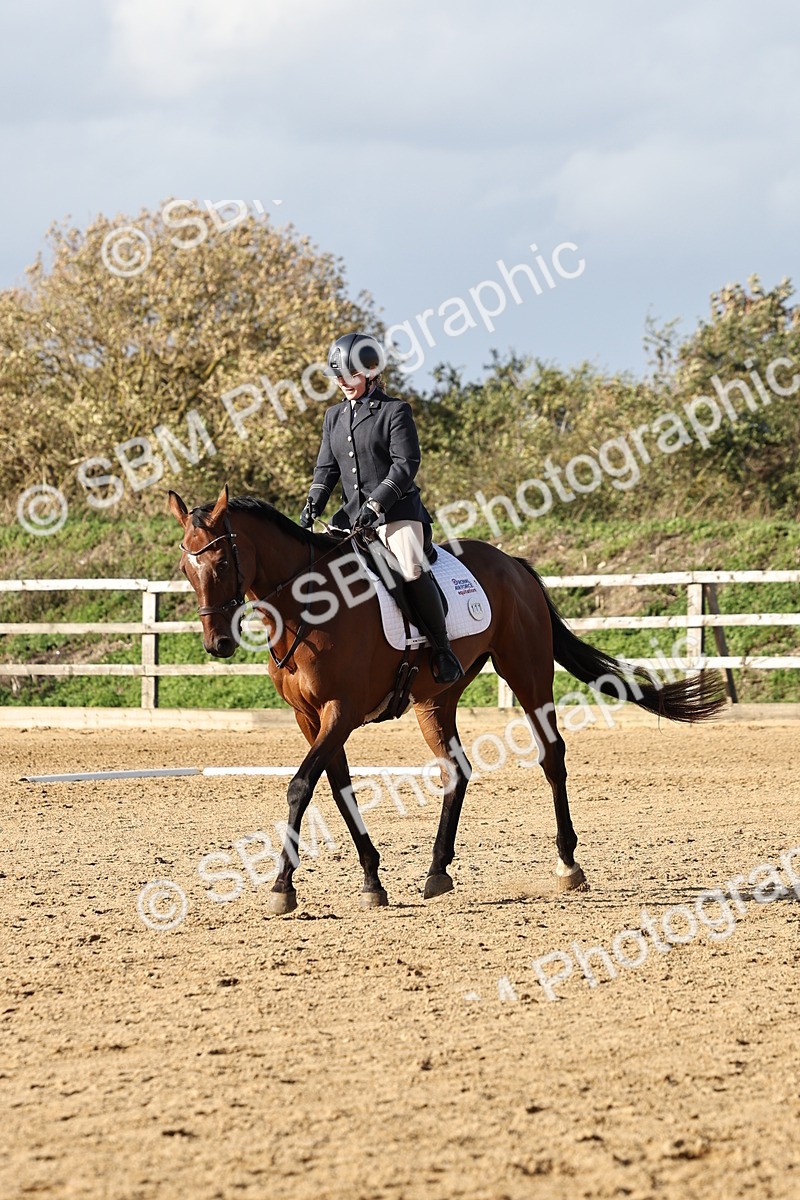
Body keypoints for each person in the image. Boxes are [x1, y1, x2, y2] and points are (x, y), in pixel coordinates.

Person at [299, 332, 464, 684]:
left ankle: (442, 648)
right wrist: (313, 501)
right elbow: (326, 469)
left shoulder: (395, 411)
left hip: (396, 514)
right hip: (351, 518)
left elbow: (405, 464)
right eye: (338, 377)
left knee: (410, 568)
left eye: (351, 375)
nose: (343, 383)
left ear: (371, 372)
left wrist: (376, 503)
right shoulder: (333, 416)